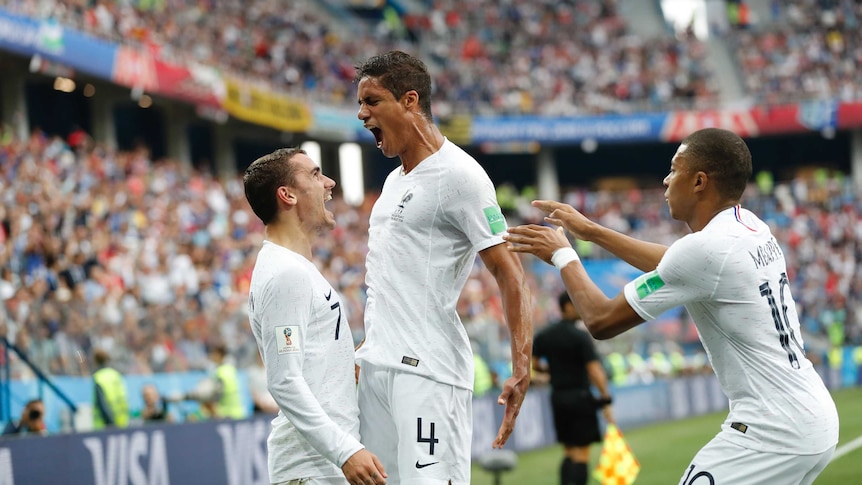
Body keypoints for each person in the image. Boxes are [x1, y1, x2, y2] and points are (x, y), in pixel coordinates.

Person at [504, 128, 839, 485]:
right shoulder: (750, 225)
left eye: (674, 169)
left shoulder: (704, 251)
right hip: (811, 414)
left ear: (699, 181)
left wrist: (562, 253)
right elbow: (675, 264)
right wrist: (592, 231)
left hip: (773, 431)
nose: (665, 180)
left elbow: (600, 320)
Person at [354, 50, 533, 485]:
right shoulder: (395, 180)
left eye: (372, 101)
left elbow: (510, 273)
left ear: (410, 101)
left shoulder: (461, 177)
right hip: (378, 368)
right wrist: (369, 349)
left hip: (428, 372)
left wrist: (521, 366)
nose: (362, 115)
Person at [243, 148, 386, 485]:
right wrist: (345, 451)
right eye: (315, 174)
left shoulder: (294, 269)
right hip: (312, 469)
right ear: (287, 195)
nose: (329, 183)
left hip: (321, 466)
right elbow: (284, 380)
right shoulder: (284, 274)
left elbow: (309, 367)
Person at [532, 292, 613, 485]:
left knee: (568, 451)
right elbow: (594, 370)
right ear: (567, 306)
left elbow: (534, 364)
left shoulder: (545, 335)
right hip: (580, 398)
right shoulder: (580, 336)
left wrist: (554, 370)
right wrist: (605, 398)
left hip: (558, 398)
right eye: (577, 303)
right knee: (581, 453)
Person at [92, 348, 130, 430]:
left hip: (106, 427)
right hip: (123, 423)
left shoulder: (98, 378)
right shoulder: (116, 375)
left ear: (95, 361)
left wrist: (111, 425)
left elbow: (102, 405)